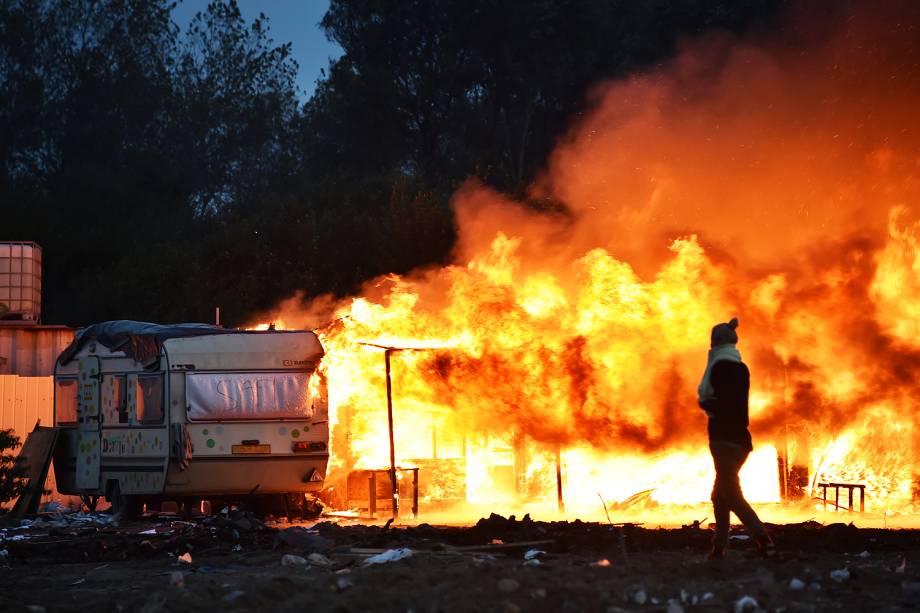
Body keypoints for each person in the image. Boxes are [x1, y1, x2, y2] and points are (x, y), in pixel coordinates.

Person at [697, 317, 774, 559]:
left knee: (730, 494)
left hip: (723, 439)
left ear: (716, 343)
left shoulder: (719, 367)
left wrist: (707, 403)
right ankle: (718, 548)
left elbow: (711, 397)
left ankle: (763, 539)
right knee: (719, 494)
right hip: (741, 441)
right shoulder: (741, 368)